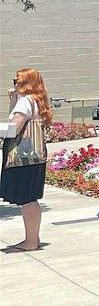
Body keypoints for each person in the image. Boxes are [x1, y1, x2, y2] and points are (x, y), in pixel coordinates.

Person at [2, 69, 52, 252]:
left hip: (24, 158)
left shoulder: (25, 102)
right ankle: (33, 238)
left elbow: (12, 130)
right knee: (30, 199)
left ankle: (30, 241)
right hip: (35, 157)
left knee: (27, 200)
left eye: (18, 80)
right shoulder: (35, 101)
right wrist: (13, 100)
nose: (15, 84)